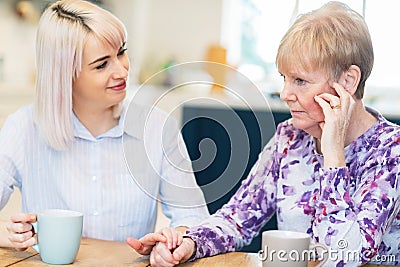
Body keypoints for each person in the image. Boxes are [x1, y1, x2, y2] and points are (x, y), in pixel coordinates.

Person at [139, 2, 400, 266]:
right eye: (284, 78)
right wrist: (189, 243)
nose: (285, 94)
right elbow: (237, 219)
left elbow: (345, 258)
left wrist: (333, 155)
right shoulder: (289, 138)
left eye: (300, 81)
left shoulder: (391, 151)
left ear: (348, 81)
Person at [0, 0, 209, 251]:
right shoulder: (23, 128)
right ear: (65, 74)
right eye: (102, 64)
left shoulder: (157, 127)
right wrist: (6, 233)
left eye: (121, 52)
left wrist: (177, 240)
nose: (122, 71)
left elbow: (194, 220)